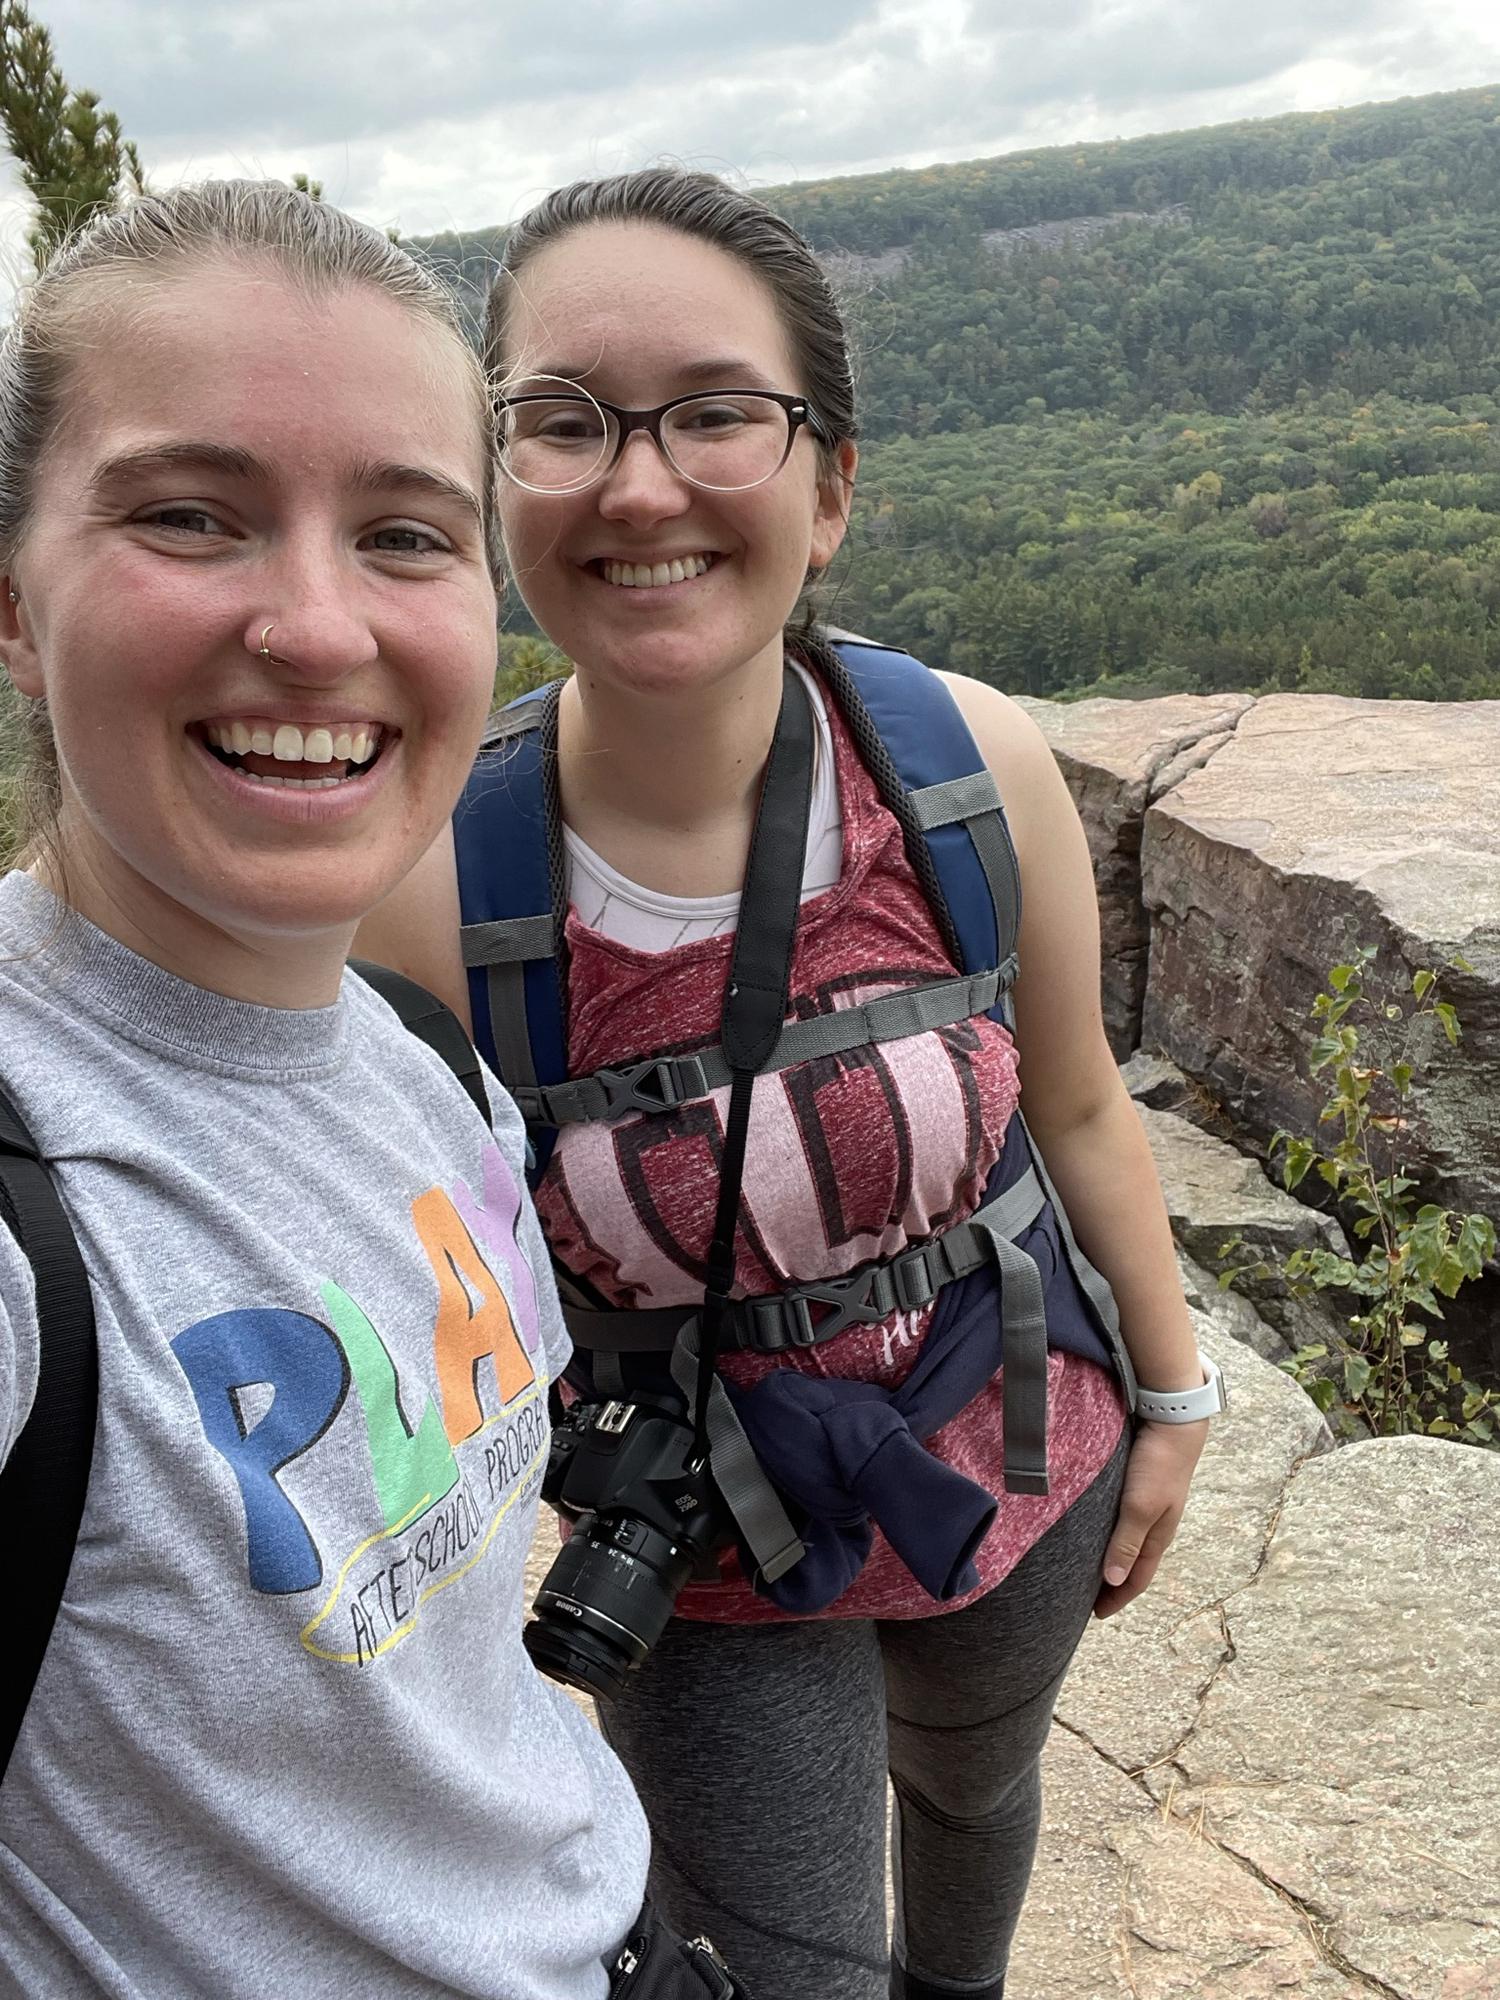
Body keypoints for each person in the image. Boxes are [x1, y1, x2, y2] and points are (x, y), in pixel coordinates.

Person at [358, 167, 1220, 2000]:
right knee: (788, 1966)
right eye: (565, 420)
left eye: (718, 414)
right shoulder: (434, 893)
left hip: (1015, 1441)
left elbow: (1069, 1100)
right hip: (704, 1547)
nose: (641, 481)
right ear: (500, 478)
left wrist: (1175, 1387)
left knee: (979, 1795)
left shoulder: (962, 768)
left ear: (827, 487)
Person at [0, 181, 659, 1999]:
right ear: (10, 599)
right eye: (189, 516)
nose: (313, 625)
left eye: (404, 535)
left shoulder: (420, 1057)